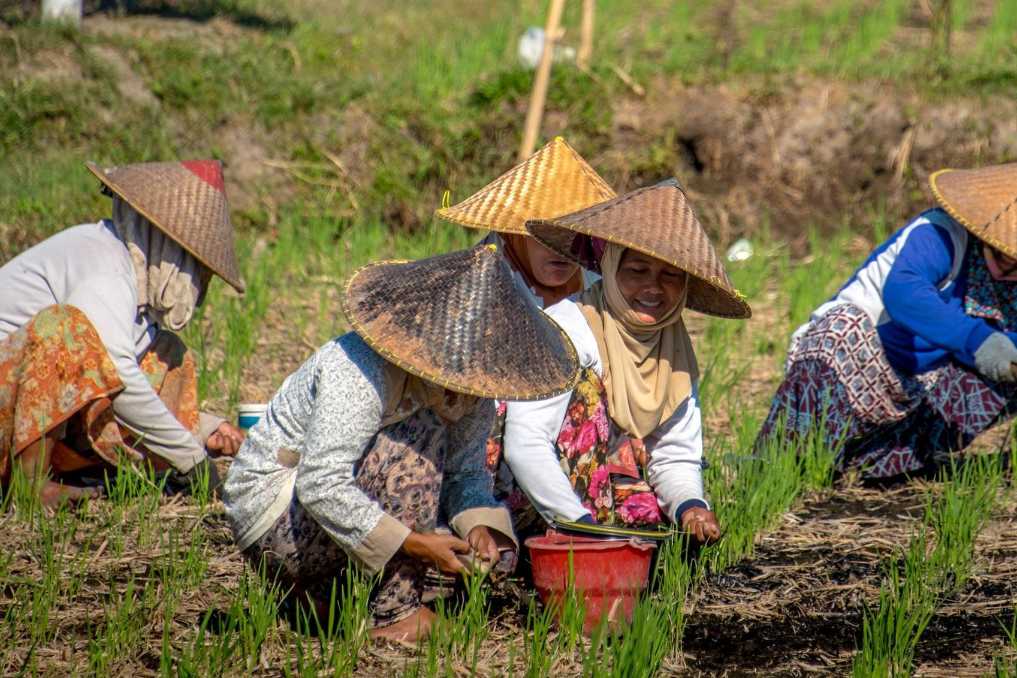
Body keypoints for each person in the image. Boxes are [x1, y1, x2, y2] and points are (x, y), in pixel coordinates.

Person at [223, 245, 580, 641]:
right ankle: (392, 614)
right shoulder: (360, 367)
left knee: (473, 555)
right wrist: (415, 545)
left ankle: (326, 602)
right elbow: (320, 483)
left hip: (336, 516)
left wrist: (481, 527)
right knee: (422, 436)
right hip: (275, 517)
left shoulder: (476, 390)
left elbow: (465, 474)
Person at [502, 180, 751, 543]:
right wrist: (579, 525)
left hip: (592, 493)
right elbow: (525, 442)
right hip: (522, 492)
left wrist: (690, 505)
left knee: (655, 522)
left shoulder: (673, 350)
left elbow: (675, 453)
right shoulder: (571, 327)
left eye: (670, 274)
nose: (653, 287)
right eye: (636, 271)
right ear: (612, 268)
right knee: (587, 391)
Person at [0, 160, 246, 508]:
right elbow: (120, 378)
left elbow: (112, 380)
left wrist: (204, 429)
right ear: (165, 241)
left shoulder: (130, 290)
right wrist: (192, 460)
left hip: (18, 412)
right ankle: (30, 486)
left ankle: (81, 469)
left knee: (163, 354)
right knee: (64, 328)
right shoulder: (105, 266)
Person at [758, 164, 1017, 479]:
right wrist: (978, 339)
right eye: (1004, 256)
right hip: (853, 365)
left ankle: (872, 463)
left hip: (919, 385)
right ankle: (784, 461)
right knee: (840, 327)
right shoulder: (939, 234)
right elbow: (905, 292)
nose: (1008, 271)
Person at [435, 137, 615, 310]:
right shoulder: (467, 288)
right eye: (549, 235)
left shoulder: (603, 289)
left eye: (575, 234)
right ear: (516, 234)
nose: (563, 249)